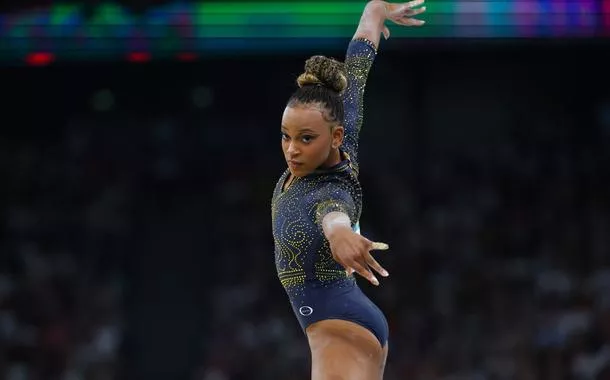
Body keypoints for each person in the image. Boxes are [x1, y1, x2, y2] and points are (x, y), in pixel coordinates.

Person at [271, 1, 426, 378]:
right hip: (340, 320)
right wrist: (374, 12)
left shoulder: (328, 193)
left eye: (305, 139)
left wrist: (341, 234)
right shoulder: (343, 133)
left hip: (339, 328)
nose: (292, 148)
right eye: (286, 136)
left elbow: (333, 217)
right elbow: (357, 72)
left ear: (333, 136)